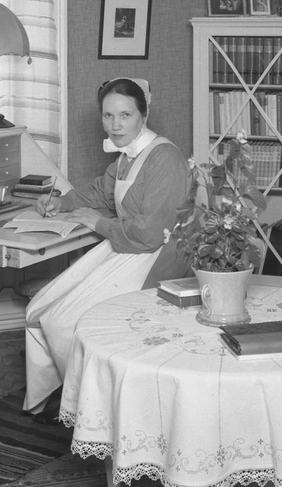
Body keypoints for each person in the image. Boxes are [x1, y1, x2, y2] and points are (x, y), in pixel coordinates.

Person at [23, 77, 189, 422]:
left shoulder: (164, 158)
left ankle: (94, 413)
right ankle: (69, 395)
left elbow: (149, 234)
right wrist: (61, 202)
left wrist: (98, 223)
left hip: (155, 257)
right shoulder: (128, 156)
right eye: (108, 116)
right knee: (41, 308)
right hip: (126, 245)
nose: (115, 125)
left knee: (63, 322)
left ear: (143, 115)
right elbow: (100, 192)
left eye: (125, 115)